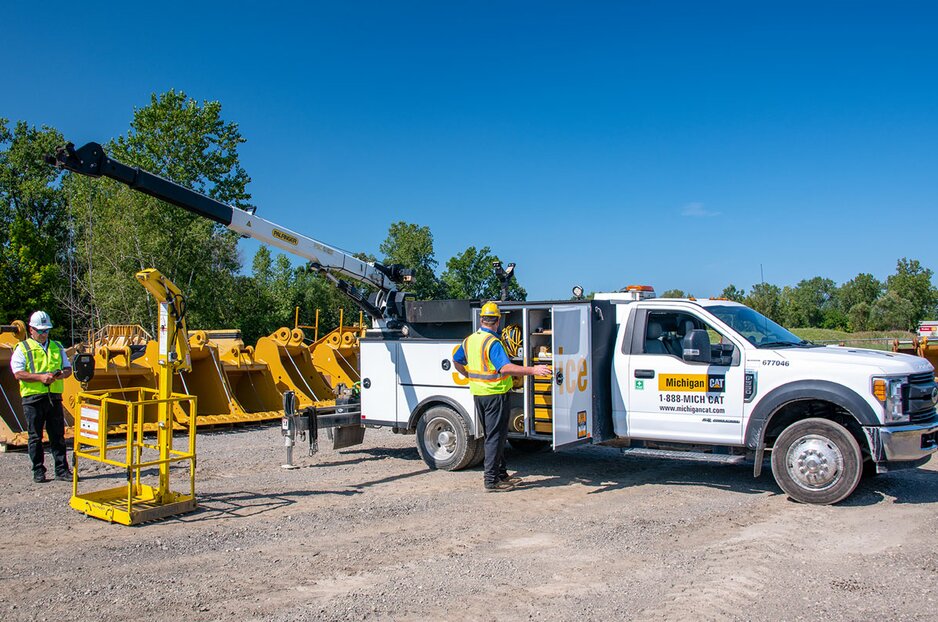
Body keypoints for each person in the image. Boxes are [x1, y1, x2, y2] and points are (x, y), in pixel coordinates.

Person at [453, 302, 551, 492]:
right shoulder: (493, 343)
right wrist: (533, 370)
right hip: (495, 394)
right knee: (495, 438)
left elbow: (457, 360)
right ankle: (491, 481)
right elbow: (505, 368)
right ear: (497, 321)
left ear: (482, 319)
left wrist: (468, 375)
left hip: (479, 395)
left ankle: (502, 474)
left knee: (495, 436)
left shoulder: (470, 340)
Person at [10, 311, 72, 483]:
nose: (44, 334)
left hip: (54, 396)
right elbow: (18, 373)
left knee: (57, 435)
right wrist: (40, 378)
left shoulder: (57, 346)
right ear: (31, 330)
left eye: (46, 331)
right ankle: (38, 471)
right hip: (33, 398)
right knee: (35, 436)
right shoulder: (22, 348)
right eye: (40, 330)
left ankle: (62, 470)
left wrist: (60, 375)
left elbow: (68, 369)